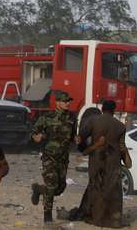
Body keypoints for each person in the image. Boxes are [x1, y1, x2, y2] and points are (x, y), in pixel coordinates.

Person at [72, 100, 130, 228]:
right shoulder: (120, 126)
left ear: (102, 109)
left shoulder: (93, 121)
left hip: (97, 159)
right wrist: (126, 160)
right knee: (113, 188)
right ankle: (114, 219)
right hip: (114, 161)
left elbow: (81, 137)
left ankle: (96, 218)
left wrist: (84, 149)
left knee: (96, 187)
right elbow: (122, 147)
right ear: (114, 110)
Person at [30, 90, 77, 224]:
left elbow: (73, 135)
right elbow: (34, 131)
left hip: (63, 158)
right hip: (49, 157)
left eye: (69, 101)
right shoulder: (47, 117)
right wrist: (35, 137)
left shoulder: (72, 118)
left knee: (60, 188)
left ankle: (38, 189)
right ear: (57, 102)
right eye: (65, 101)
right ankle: (47, 218)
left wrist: (76, 139)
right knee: (51, 186)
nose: (68, 103)